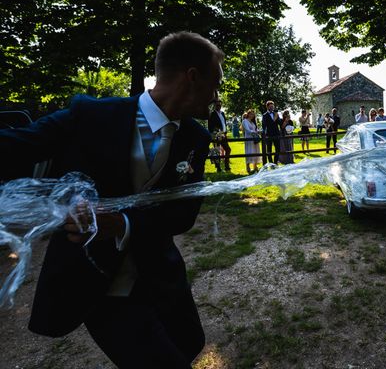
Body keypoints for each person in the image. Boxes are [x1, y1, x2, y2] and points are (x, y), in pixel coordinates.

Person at [0, 31, 223, 367]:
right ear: (192, 77)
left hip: (161, 277)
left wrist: (122, 223)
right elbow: (18, 145)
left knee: (190, 343)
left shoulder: (195, 137)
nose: (217, 95)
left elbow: (183, 213)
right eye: (215, 83)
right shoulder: (91, 116)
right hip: (100, 288)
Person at [208, 99, 231, 172]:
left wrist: (225, 132)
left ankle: (227, 166)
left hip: (223, 135)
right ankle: (218, 168)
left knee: (228, 149)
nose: (219, 106)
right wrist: (217, 132)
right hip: (216, 135)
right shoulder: (212, 114)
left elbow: (224, 123)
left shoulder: (223, 113)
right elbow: (210, 127)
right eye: (217, 105)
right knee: (216, 151)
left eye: (220, 105)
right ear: (214, 106)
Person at [242, 110, 260, 174]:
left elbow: (255, 129)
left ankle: (255, 166)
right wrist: (254, 132)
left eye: (253, 114)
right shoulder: (245, 121)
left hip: (255, 139)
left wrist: (259, 131)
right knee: (249, 151)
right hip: (249, 138)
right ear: (248, 114)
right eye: (251, 114)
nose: (252, 115)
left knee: (255, 151)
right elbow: (247, 130)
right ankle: (248, 166)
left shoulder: (253, 122)